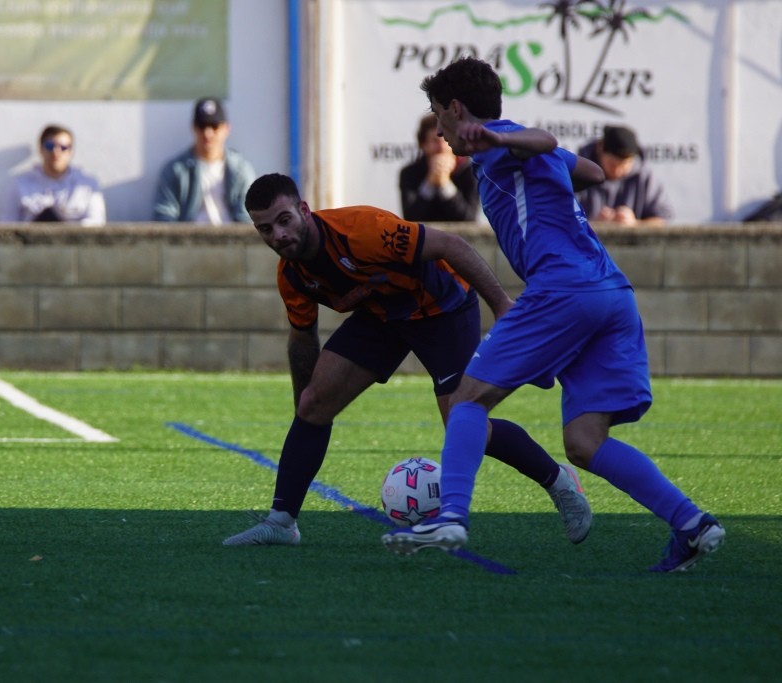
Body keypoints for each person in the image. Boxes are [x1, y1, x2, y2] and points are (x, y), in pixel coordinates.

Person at [382, 57, 724, 573]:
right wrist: (544, 174)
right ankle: (692, 522)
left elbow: (540, 139)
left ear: (455, 108)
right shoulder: (508, 153)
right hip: (610, 292)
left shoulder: (499, 140)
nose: (440, 131)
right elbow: (591, 171)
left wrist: (496, 140)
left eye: (438, 115)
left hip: (562, 289)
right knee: (584, 442)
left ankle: (450, 515)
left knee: (467, 401)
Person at [223, 172, 592, 546]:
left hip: (442, 306)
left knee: (463, 422)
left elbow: (452, 245)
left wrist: (501, 305)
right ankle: (282, 522)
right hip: (383, 314)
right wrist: (304, 409)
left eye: (284, 220)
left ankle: (559, 481)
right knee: (314, 404)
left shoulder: (362, 230)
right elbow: (302, 339)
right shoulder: (291, 275)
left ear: (304, 210)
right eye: (265, 229)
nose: (278, 235)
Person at [152, 97, 256, 224]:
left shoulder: (241, 170)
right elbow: (164, 216)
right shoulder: (175, 170)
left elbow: (247, 218)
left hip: (231, 236)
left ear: (226, 129)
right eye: (202, 126)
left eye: (214, 126)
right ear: (193, 127)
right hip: (188, 236)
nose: (207, 133)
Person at [0, 124, 106, 225]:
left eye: (63, 147)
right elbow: (6, 224)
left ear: (71, 152)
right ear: (40, 149)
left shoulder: (88, 185)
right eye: (50, 146)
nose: (56, 152)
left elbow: (96, 222)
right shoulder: (19, 184)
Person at [575, 124, 672, 226]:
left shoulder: (645, 177)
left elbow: (663, 220)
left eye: (624, 166)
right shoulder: (576, 174)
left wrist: (635, 224)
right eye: (612, 164)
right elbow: (564, 221)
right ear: (599, 150)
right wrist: (592, 224)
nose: (617, 171)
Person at [399, 113, 479, 222]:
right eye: (435, 141)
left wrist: (445, 184)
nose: (442, 147)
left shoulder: (470, 172)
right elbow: (410, 218)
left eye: (446, 140)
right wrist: (429, 183)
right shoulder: (409, 173)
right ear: (423, 145)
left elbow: (469, 219)